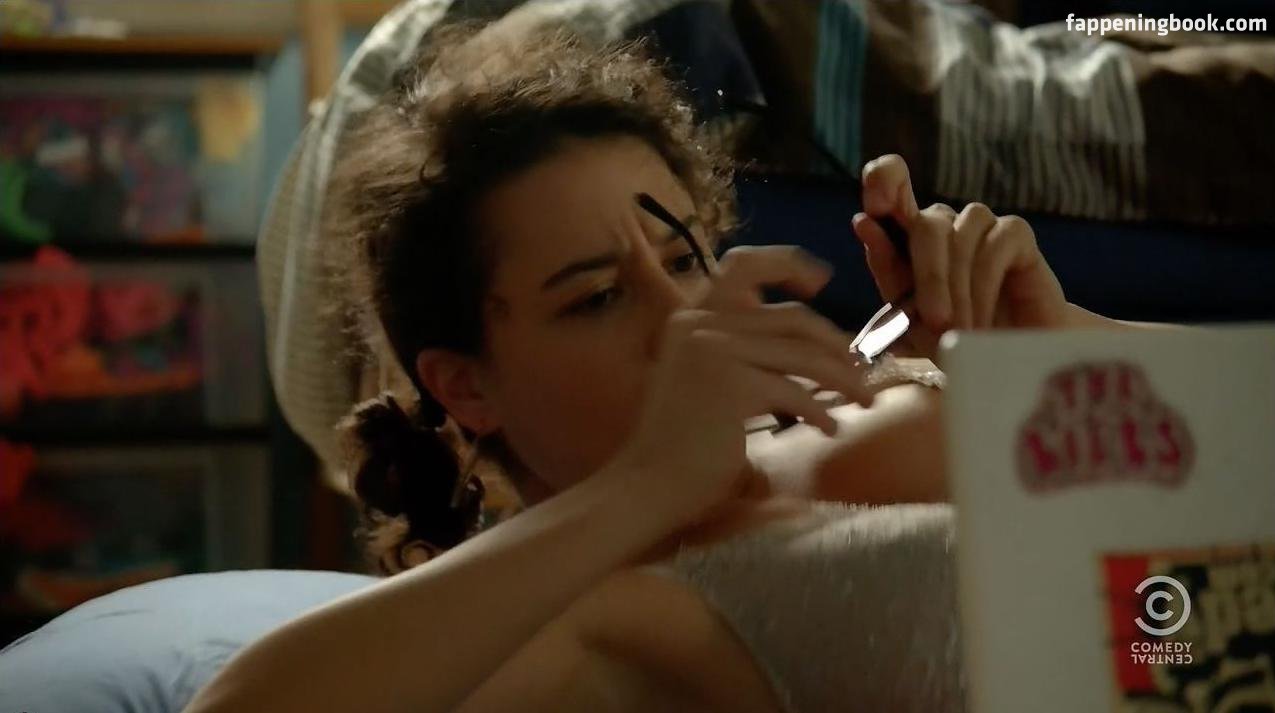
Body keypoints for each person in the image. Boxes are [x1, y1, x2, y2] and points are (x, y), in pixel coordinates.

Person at [184, 24, 1149, 713]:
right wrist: (649, 483)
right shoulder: (603, 614)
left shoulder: (873, 380)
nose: (683, 314)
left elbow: (1223, 453)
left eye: (684, 259)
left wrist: (1065, 344)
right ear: (466, 384)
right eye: (597, 297)